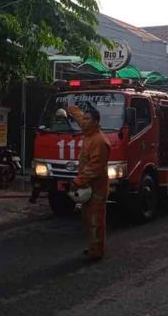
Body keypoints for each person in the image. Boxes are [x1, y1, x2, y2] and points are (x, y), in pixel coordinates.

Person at [67, 104, 110, 261]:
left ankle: (97, 252)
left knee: (96, 221)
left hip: (97, 189)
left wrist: (78, 181)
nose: (83, 122)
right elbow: (79, 117)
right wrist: (70, 106)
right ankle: (93, 247)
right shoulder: (89, 133)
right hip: (87, 187)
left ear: (96, 122)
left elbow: (94, 167)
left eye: (87, 119)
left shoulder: (99, 141)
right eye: (83, 119)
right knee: (87, 219)